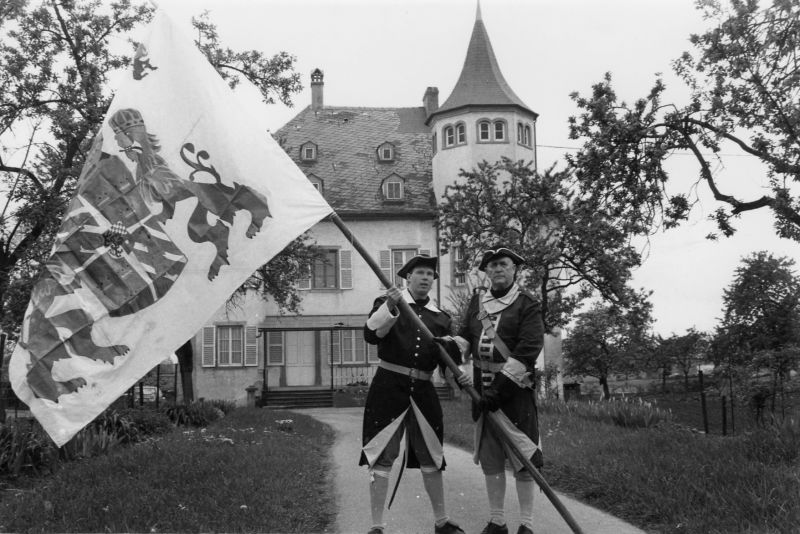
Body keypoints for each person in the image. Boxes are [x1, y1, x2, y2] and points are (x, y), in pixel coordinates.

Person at [360, 254, 470, 534]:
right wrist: (390, 304)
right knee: (381, 454)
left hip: (423, 391)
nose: (425, 278)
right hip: (388, 387)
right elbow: (371, 334)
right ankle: (376, 527)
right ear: (408, 277)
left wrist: (460, 372)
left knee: (432, 455)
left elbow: (447, 361)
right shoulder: (387, 303)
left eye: (429, 274)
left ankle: (442, 522)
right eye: (419, 273)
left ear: (433, 280)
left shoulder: (441, 317)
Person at [453, 247, 545, 534]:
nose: (497, 270)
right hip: (481, 393)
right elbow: (467, 338)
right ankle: (497, 521)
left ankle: (527, 525)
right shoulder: (478, 301)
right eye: (491, 266)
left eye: (503, 264)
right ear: (486, 271)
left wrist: (499, 391)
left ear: (514, 268)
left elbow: (528, 350)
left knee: (524, 460)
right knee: (491, 460)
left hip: (514, 394)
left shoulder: (527, 304)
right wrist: (450, 347)